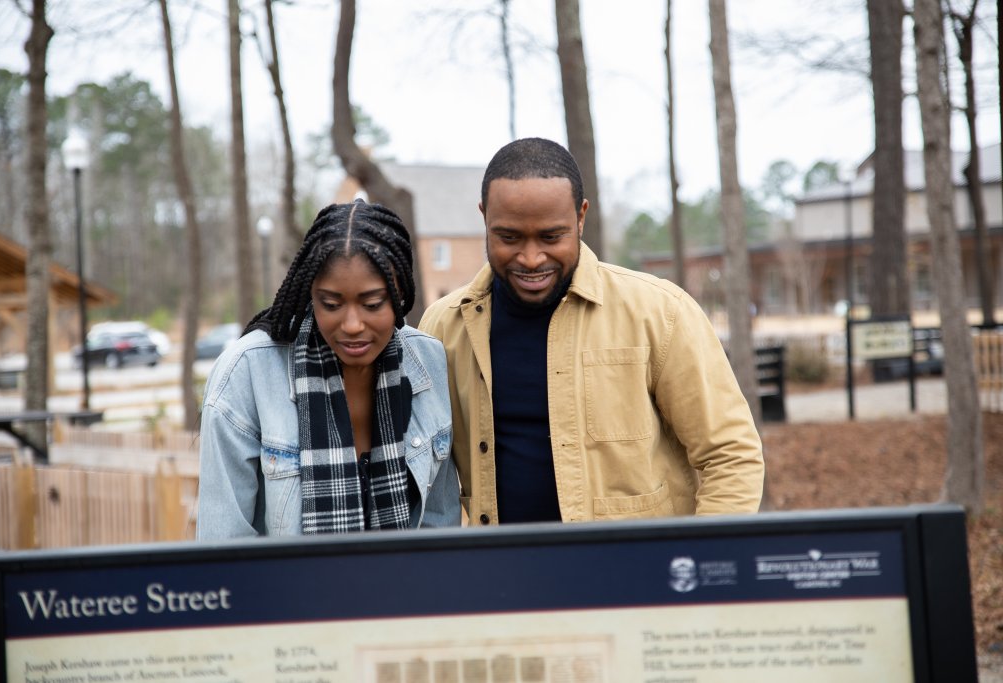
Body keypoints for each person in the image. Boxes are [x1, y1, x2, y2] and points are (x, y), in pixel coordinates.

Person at [419, 137, 763, 526]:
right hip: (497, 577)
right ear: (484, 218)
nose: (531, 258)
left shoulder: (659, 313)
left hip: (635, 577)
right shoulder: (442, 327)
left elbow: (730, 454)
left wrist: (702, 562)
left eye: (552, 237)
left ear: (581, 217)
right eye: (509, 237)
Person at [197, 200, 460, 538]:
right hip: (290, 591)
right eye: (331, 304)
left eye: (372, 304)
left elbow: (440, 527)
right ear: (310, 293)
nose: (352, 325)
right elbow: (224, 545)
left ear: (400, 297)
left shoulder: (428, 360)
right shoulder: (247, 372)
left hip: (405, 588)